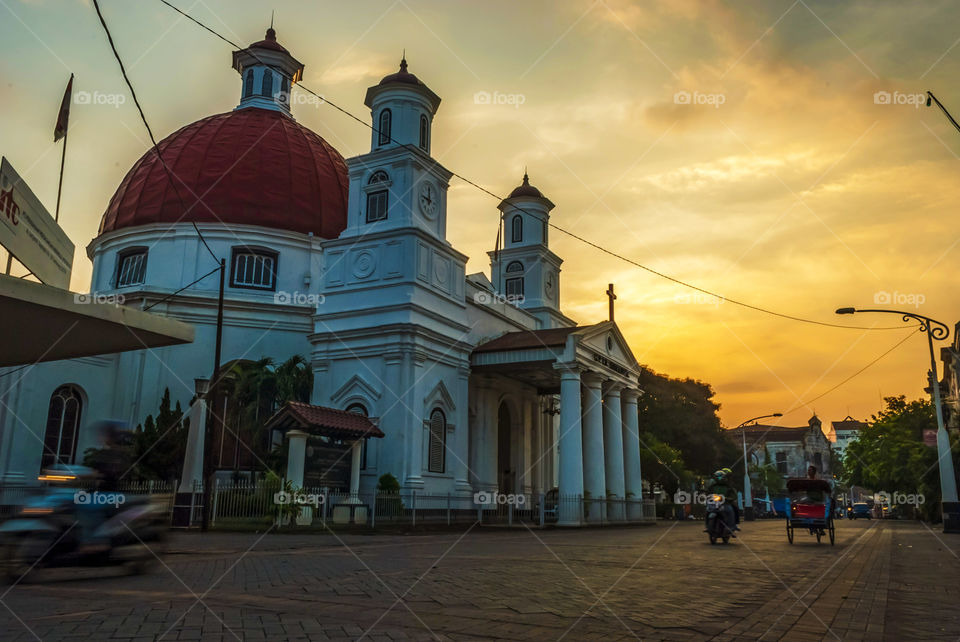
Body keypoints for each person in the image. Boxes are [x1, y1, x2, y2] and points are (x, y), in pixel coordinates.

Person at [705, 468, 739, 533]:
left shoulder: (728, 487)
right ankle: (707, 526)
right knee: (707, 510)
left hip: (725, 504)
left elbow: (734, 495)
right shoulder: (712, 487)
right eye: (717, 477)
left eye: (720, 477)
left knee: (730, 510)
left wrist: (728, 498)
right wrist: (707, 496)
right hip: (714, 504)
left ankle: (731, 527)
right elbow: (708, 493)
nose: (719, 478)